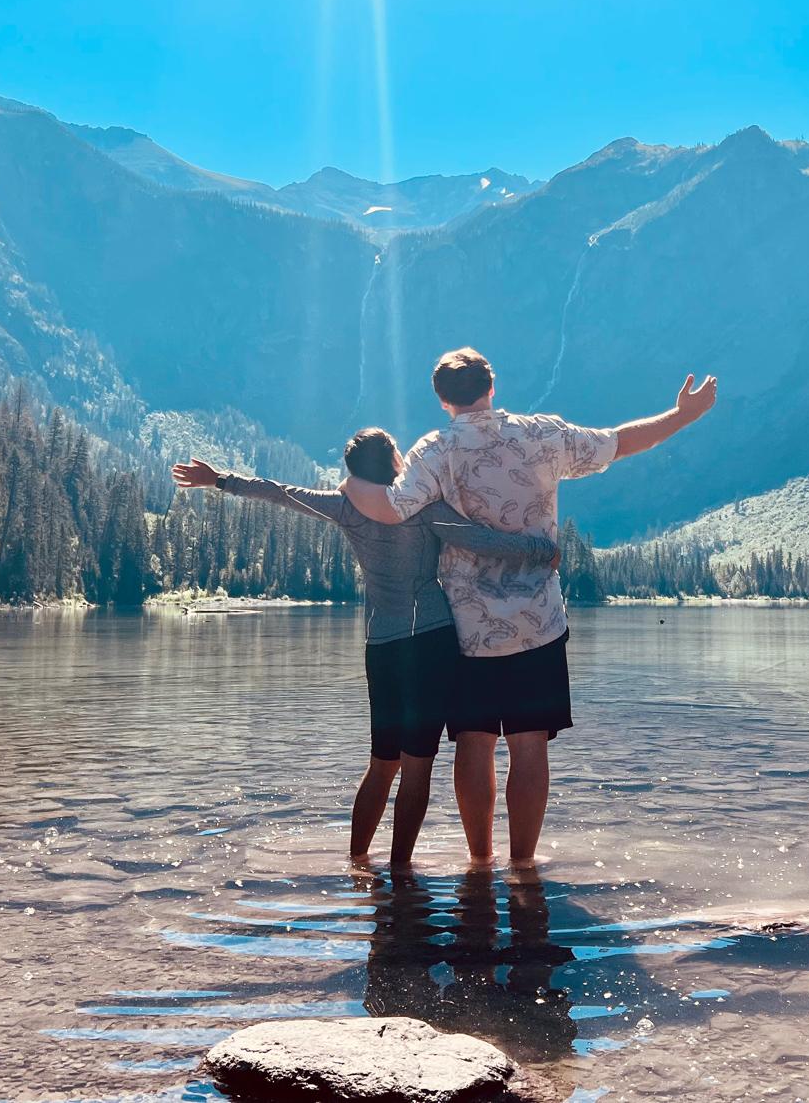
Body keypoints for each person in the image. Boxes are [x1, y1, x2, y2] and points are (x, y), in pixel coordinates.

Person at [341, 347, 717, 865]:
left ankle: (480, 862)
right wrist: (682, 416)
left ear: (443, 399)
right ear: (491, 386)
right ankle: (523, 865)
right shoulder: (541, 433)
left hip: (470, 628)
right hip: (538, 622)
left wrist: (349, 483)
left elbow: (389, 507)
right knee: (529, 744)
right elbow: (619, 442)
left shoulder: (434, 450)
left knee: (475, 742)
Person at [171, 427, 556, 867]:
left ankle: (358, 862)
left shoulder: (346, 509)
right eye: (397, 449)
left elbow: (278, 492)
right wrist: (539, 549)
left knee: (381, 763)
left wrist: (219, 479)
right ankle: (400, 873)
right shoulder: (420, 506)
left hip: (381, 648)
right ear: (392, 461)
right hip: (428, 645)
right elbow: (477, 538)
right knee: (417, 766)